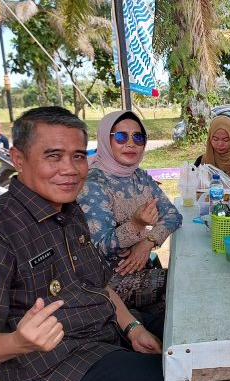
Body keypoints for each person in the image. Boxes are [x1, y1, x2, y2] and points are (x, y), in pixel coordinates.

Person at [0, 106, 172, 381]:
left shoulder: (69, 211)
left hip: (101, 333)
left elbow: (99, 285)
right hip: (51, 365)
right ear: (18, 158)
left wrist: (132, 328)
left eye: (78, 156)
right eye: (53, 156)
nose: (69, 169)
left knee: (179, 332)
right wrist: (19, 341)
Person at [78, 111, 183, 314]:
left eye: (138, 137)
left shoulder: (140, 177)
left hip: (141, 268)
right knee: (182, 283)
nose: (131, 143)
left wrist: (148, 242)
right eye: (120, 137)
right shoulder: (94, 184)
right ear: (105, 140)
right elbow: (100, 248)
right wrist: (135, 225)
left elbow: (173, 215)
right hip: (110, 281)